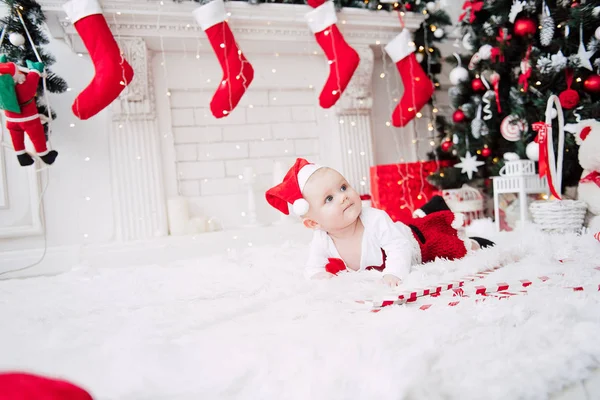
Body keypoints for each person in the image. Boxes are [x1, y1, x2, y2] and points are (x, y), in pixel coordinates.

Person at [265, 158, 493, 287]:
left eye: (343, 187)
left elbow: (398, 247)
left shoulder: (374, 218)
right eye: (329, 198)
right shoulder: (321, 239)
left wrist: (393, 273)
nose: (343, 196)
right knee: (417, 222)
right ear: (313, 223)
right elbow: (312, 268)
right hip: (401, 233)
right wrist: (318, 277)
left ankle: (472, 241)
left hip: (414, 243)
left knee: (445, 244)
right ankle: (429, 209)